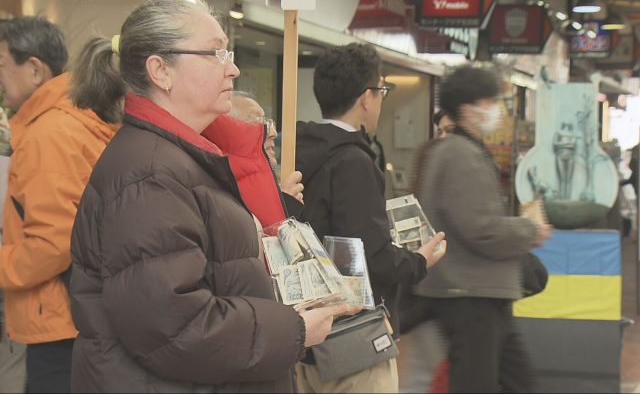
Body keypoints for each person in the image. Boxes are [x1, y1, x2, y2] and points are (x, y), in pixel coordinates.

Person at [69, 0, 350, 393]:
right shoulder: (150, 175)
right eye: (215, 53)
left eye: (228, 53)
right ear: (161, 71)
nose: (232, 68)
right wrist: (294, 328)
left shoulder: (186, 157)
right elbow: (176, 327)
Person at [295, 42, 446, 393]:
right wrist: (419, 260)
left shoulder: (298, 150)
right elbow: (372, 258)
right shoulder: (353, 162)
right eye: (381, 92)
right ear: (366, 98)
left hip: (307, 340)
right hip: (354, 346)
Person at [414, 65, 551, 393]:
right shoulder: (460, 155)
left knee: (517, 382)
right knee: (477, 384)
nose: (496, 110)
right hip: (470, 294)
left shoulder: (460, 151)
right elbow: (480, 228)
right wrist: (529, 230)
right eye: (489, 102)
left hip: (481, 293)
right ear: (467, 109)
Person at [0, 16, 117, 393]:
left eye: (2, 65)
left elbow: (54, 241)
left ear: (35, 69)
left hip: (60, 320)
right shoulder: (71, 118)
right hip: (81, 315)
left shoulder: (48, 134)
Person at [229, 91, 304, 216]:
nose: (273, 133)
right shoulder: (223, 189)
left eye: (268, 123)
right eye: (255, 122)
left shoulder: (272, 184)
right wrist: (284, 205)